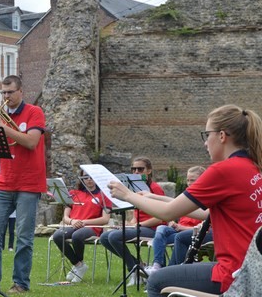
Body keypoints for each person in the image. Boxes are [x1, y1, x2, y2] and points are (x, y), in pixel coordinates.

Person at [108, 104, 262, 296]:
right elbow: (206, 213)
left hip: (235, 272)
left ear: (222, 136)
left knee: (156, 281)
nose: (206, 143)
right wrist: (155, 196)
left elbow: (168, 213)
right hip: (252, 267)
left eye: (207, 135)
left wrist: (127, 195)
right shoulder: (252, 166)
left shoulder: (223, 171)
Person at [0, 75, 46, 294]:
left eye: (10, 92)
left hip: (29, 183)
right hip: (4, 181)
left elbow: (31, 142)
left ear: (21, 92)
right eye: (3, 93)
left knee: (24, 237)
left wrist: (2, 127)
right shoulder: (1, 114)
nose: (6, 97)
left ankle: (20, 283)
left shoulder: (34, 112)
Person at [99, 156, 166, 285]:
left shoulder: (155, 189)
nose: (136, 172)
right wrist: (130, 224)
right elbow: (136, 214)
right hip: (140, 227)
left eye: (140, 169)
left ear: (149, 171)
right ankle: (139, 266)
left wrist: (138, 225)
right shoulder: (134, 189)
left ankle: (134, 270)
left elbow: (161, 217)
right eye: (133, 169)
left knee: (113, 237)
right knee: (104, 237)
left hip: (154, 229)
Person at [143, 166, 206, 276]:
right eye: (187, 180)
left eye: (193, 180)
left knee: (174, 237)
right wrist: (172, 222)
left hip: (191, 234)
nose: (189, 183)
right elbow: (174, 206)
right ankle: (157, 266)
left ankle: (165, 274)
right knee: (161, 229)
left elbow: (205, 227)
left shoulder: (206, 198)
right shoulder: (188, 195)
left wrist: (182, 228)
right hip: (178, 230)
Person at [52, 172, 111, 283]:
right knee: (57, 236)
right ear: (81, 179)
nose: (89, 179)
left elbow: (105, 219)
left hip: (92, 227)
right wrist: (72, 221)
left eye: (91, 176)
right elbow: (65, 216)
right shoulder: (73, 193)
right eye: (85, 177)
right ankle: (79, 265)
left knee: (77, 236)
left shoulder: (103, 195)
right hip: (73, 224)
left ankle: (78, 268)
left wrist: (84, 222)